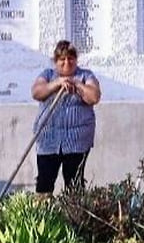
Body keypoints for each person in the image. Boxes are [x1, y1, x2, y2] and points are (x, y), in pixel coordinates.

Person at [31, 40, 102, 195]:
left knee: (74, 183)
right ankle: (43, 215)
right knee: (44, 181)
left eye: (70, 58)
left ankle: (73, 215)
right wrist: (57, 83)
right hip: (48, 140)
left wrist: (76, 84)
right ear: (55, 61)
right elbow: (37, 92)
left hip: (77, 141)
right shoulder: (47, 75)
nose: (66, 63)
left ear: (76, 60)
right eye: (62, 59)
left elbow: (94, 97)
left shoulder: (85, 75)